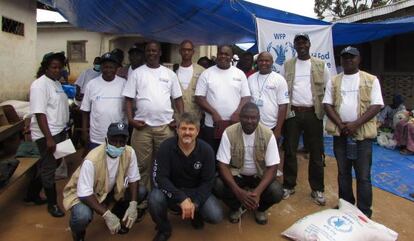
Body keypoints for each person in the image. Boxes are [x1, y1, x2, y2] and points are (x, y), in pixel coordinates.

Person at [323, 46, 383, 218]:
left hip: (361, 134)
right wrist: (342, 125)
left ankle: (364, 212)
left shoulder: (370, 80)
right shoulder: (334, 81)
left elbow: (376, 105)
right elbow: (327, 104)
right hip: (341, 134)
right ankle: (346, 206)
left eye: (352, 57)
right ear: (341, 60)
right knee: (343, 173)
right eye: (345, 57)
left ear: (359, 59)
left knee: (363, 175)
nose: (348, 60)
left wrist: (355, 124)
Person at [63, 122, 146, 241]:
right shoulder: (92, 159)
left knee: (141, 191)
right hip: (85, 194)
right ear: (106, 140)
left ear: (126, 142)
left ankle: (117, 214)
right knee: (82, 215)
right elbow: (84, 193)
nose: (118, 145)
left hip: (108, 190)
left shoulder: (129, 152)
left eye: (121, 142)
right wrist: (107, 215)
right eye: (114, 141)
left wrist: (133, 205)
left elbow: (134, 179)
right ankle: (78, 232)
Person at [149, 113, 223, 241]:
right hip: (172, 190)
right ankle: (164, 229)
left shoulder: (206, 150)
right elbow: (161, 178)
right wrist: (182, 198)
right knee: (154, 199)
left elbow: (208, 182)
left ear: (198, 131)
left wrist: (196, 203)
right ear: (177, 130)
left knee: (215, 215)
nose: (187, 132)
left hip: (196, 192)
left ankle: (195, 214)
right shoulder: (166, 147)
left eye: (191, 129)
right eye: (183, 128)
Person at [122, 40, 184, 191]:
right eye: (148, 50)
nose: (151, 53)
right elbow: (128, 99)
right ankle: (143, 197)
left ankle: (164, 194)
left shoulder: (169, 74)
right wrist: (131, 120)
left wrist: (180, 120)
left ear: (160, 52)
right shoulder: (137, 74)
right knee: (141, 165)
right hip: (142, 128)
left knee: (165, 163)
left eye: (154, 50)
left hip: (165, 127)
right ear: (145, 53)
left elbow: (178, 99)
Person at [280, 33, 330, 205]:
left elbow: (327, 90)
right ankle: (289, 185)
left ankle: (317, 189)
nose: (301, 45)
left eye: (304, 42)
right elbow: (282, 89)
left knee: (316, 152)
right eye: (298, 42)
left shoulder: (320, 65)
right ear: (294, 46)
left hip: (313, 113)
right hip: (292, 113)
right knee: (290, 150)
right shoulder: (287, 65)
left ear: (309, 44)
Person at [214, 103, 283, 225]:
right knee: (217, 185)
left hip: (258, 175)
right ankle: (236, 207)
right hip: (238, 174)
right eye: (246, 117)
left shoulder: (268, 135)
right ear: (240, 117)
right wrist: (238, 192)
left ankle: (260, 209)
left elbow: (273, 167)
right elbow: (222, 165)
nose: (249, 121)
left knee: (277, 191)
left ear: (259, 118)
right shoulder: (229, 133)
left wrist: (257, 193)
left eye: (253, 118)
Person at [27, 51, 69, 217]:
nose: (57, 70)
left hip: (61, 130)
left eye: (60, 67)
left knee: (56, 163)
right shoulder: (39, 85)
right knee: (50, 168)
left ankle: (31, 193)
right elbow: (39, 113)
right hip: (48, 134)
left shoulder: (56, 83)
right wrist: (49, 138)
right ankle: (52, 204)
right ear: (45, 68)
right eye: (54, 67)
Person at [195, 45, 251, 153]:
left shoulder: (239, 74)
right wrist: (214, 113)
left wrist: (237, 113)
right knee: (211, 155)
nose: (223, 56)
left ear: (231, 57)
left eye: (227, 54)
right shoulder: (207, 73)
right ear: (217, 55)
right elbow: (199, 98)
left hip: (234, 124)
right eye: (221, 53)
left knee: (231, 156)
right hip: (212, 125)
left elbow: (246, 97)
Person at [80, 52, 126, 150]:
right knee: (97, 164)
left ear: (116, 68)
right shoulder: (92, 84)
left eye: (111, 67)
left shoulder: (124, 83)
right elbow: (85, 110)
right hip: (97, 137)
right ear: (101, 68)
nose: (108, 70)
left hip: (118, 136)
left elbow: (128, 108)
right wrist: (84, 131)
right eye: (105, 67)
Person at [175, 40, 205, 120]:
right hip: (176, 118)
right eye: (184, 50)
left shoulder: (201, 71)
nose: (186, 52)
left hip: (195, 118)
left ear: (193, 52)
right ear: (180, 51)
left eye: (189, 50)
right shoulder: (172, 71)